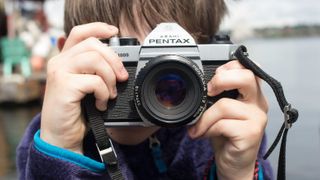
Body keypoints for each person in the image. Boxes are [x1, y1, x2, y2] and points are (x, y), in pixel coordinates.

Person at [17, 0, 273, 179]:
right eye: (126, 60)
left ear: (209, 64)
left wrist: (237, 173)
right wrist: (62, 152)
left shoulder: (223, 128)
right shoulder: (48, 139)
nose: (150, 83)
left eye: (172, 66)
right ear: (67, 55)